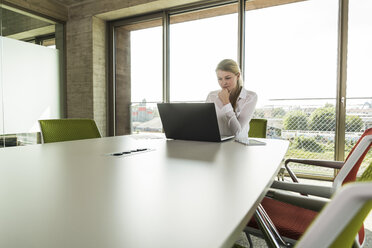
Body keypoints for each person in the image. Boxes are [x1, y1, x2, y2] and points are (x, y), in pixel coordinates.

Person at [206, 59, 257, 140]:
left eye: (227, 78)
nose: (223, 83)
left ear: (238, 76)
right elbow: (206, 126)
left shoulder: (250, 97)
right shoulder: (211, 96)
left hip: (238, 145)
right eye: (220, 79)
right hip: (217, 144)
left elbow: (237, 133)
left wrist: (226, 103)